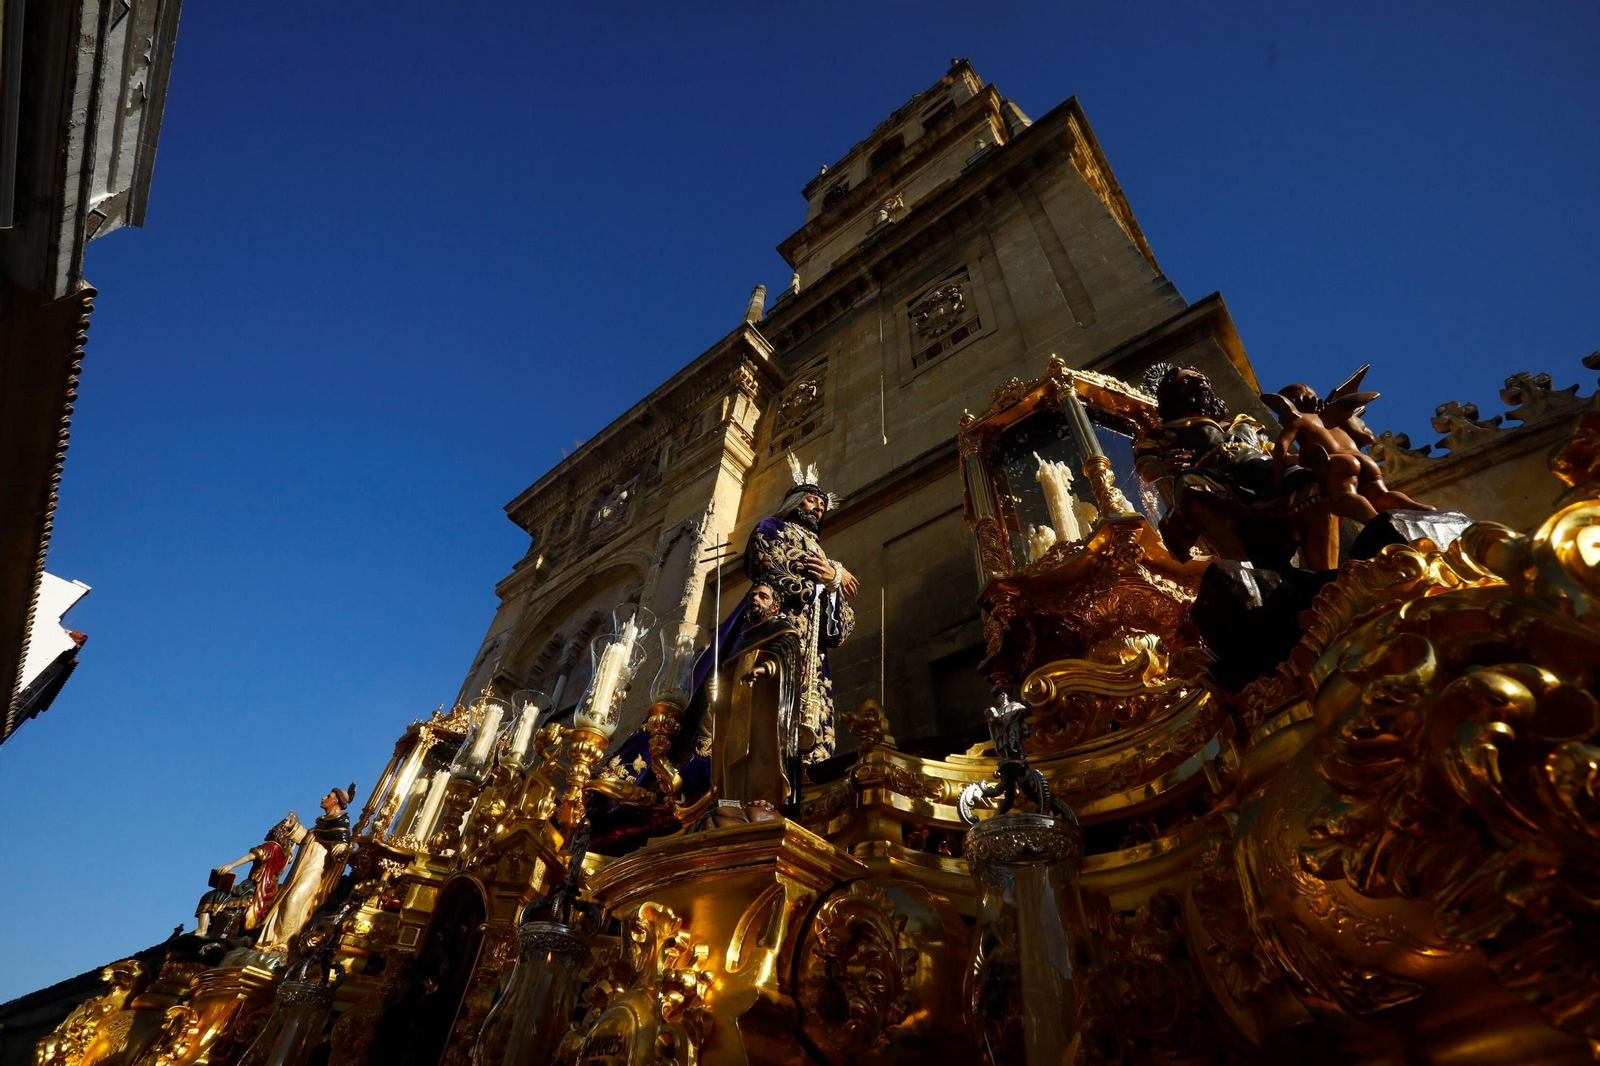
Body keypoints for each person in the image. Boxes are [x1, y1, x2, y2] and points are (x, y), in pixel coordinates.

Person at [1135, 364, 1335, 570]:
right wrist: (1163, 467)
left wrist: (1312, 445)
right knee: (1189, 483)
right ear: (1171, 395)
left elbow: (1277, 453)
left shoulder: (1243, 425)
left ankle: (1326, 574)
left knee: (1317, 482)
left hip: (1264, 473)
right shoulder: (1165, 434)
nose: (1199, 382)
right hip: (1220, 482)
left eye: (1201, 378)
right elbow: (1146, 469)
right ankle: (1242, 568)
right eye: (1187, 381)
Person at [255, 783, 356, 952]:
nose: (323, 797)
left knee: (295, 900)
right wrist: (293, 827)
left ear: (335, 802)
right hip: (301, 868)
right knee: (285, 899)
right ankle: (273, 941)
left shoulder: (340, 824)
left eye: (328, 796)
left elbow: (341, 843)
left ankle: (285, 943)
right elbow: (309, 837)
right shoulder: (323, 823)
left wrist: (340, 848)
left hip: (315, 871)